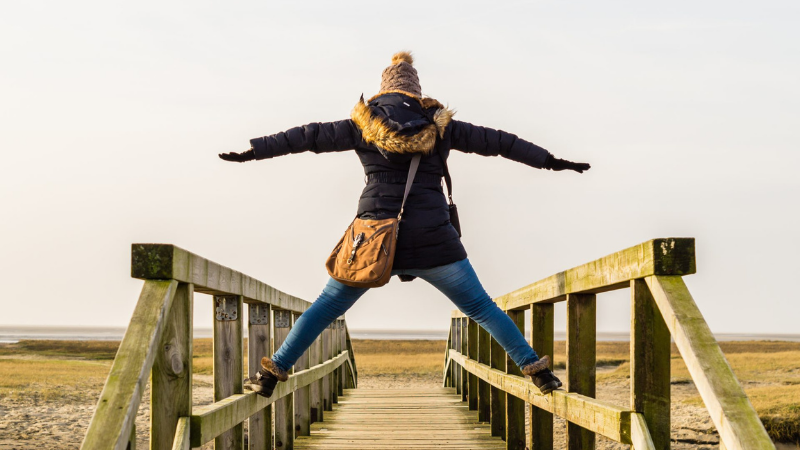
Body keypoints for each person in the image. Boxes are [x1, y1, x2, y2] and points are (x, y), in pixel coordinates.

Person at [219, 51, 590, 397]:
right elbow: (501, 143)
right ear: (417, 93)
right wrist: (551, 161)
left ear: (383, 90)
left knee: (326, 306)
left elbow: (306, 137)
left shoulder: (359, 125)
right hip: (434, 241)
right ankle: (537, 371)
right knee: (481, 307)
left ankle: (271, 374)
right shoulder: (442, 126)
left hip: (372, 240)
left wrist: (254, 151)